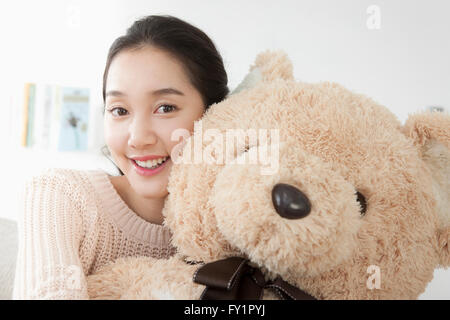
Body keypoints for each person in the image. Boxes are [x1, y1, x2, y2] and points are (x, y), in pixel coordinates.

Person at [12, 15, 229, 299]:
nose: (138, 137)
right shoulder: (60, 196)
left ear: (214, 115)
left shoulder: (237, 227)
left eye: (165, 107)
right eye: (120, 110)